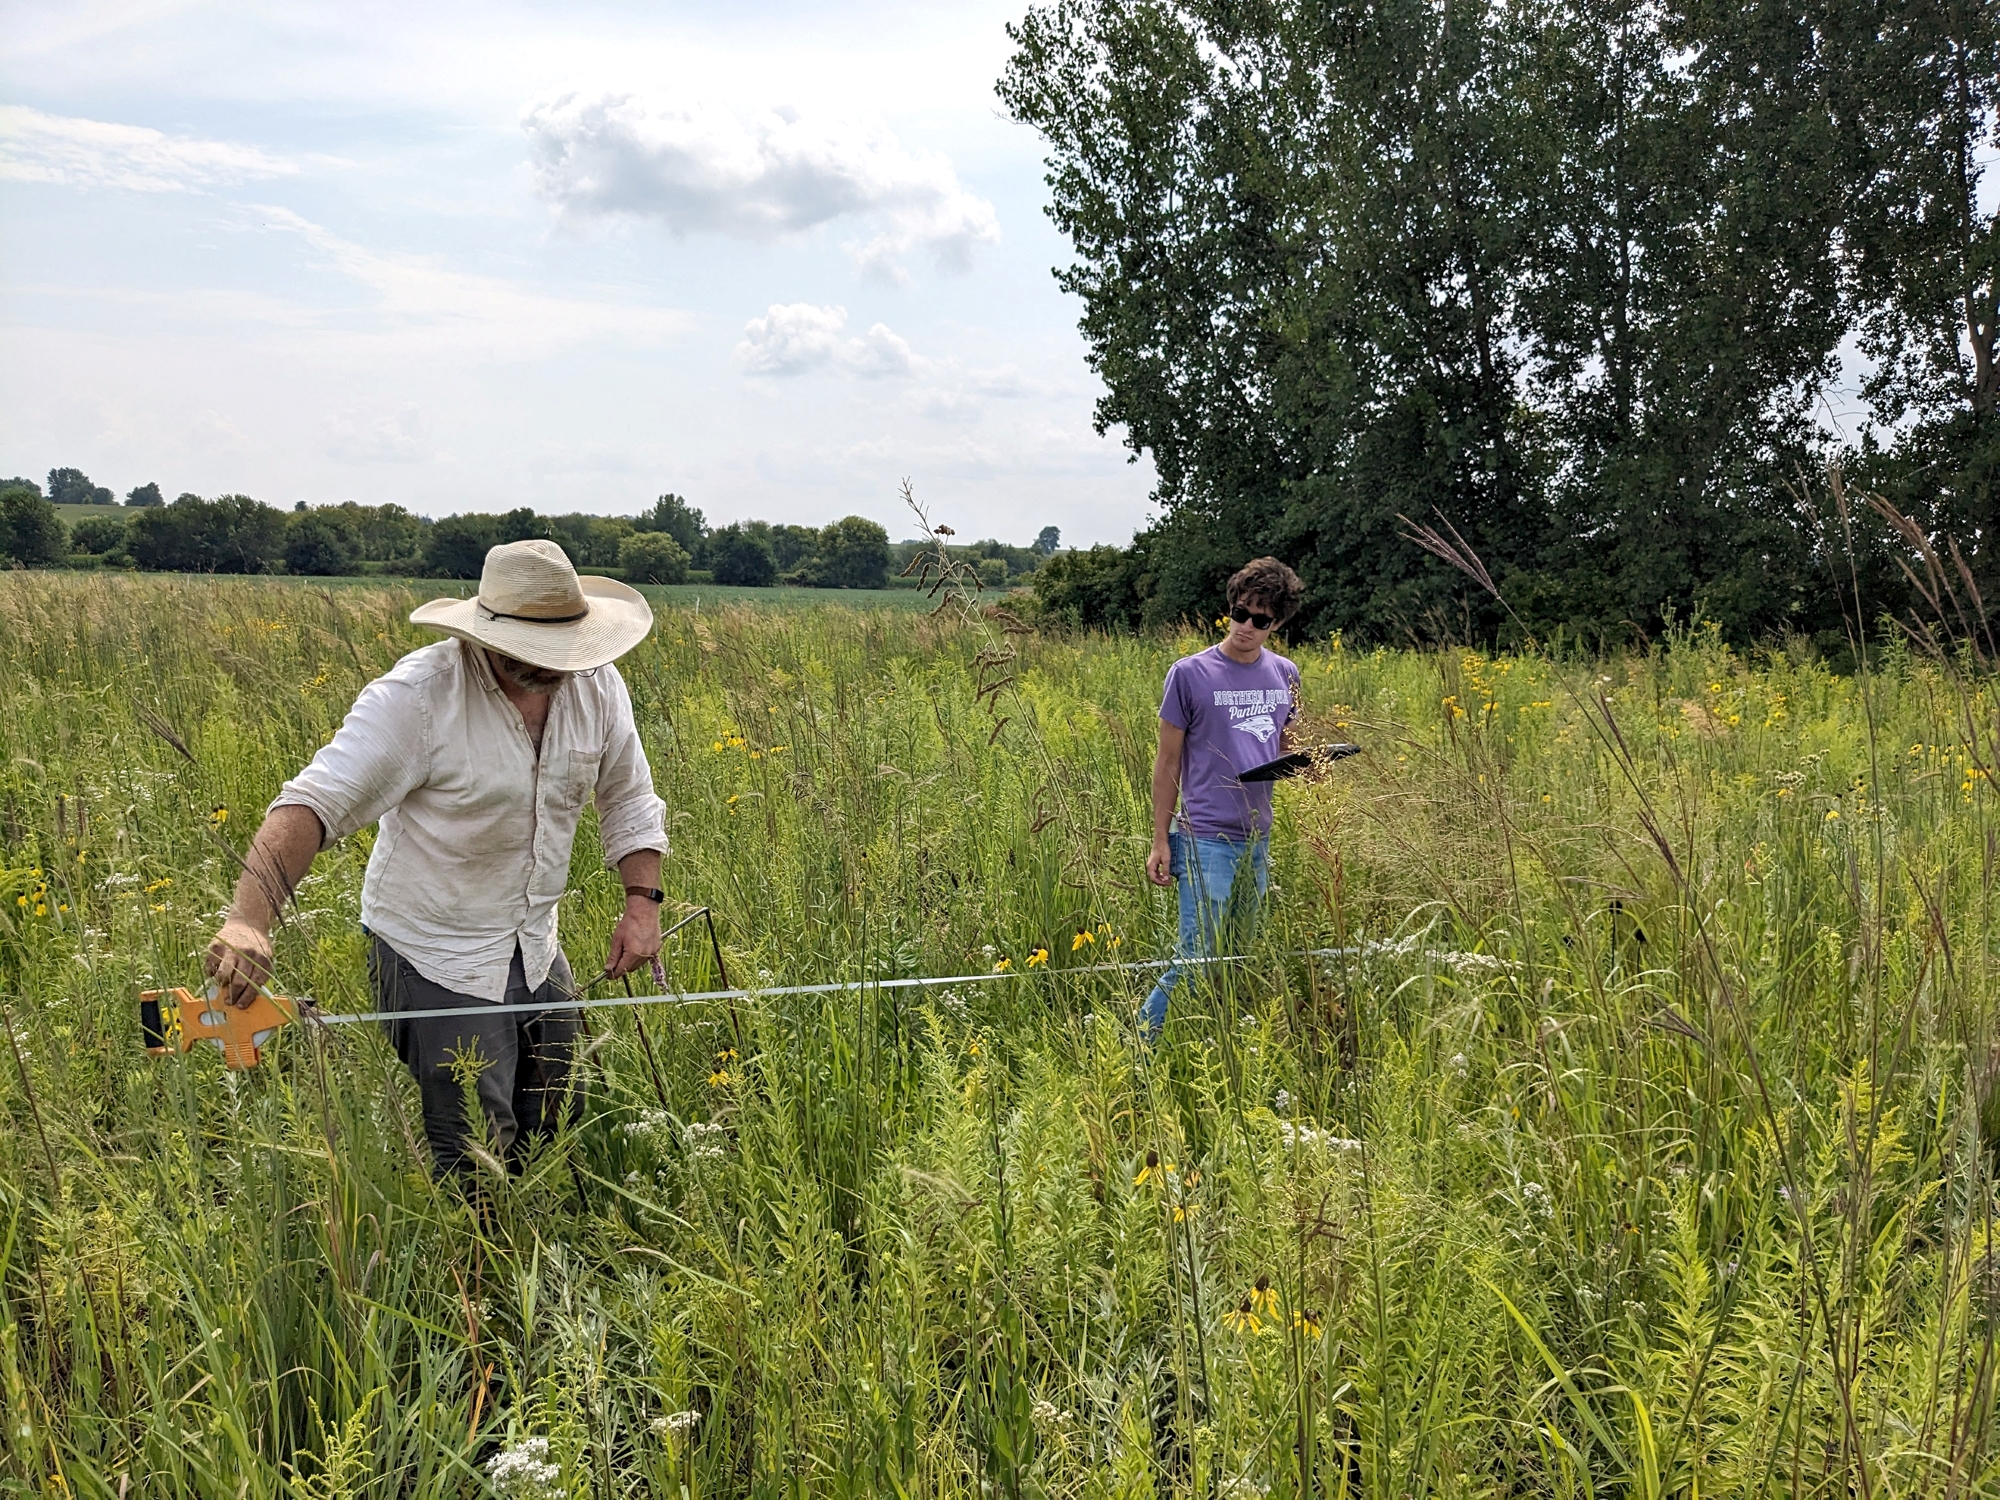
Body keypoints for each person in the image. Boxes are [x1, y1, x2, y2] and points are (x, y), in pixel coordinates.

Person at [204, 539, 668, 1177]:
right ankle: (477, 1264)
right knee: (475, 1146)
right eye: (532, 653)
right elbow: (312, 806)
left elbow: (630, 799)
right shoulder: (418, 699)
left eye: (564, 649)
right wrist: (249, 918)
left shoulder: (598, 685)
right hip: (433, 951)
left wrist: (642, 905)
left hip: (534, 941)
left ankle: (532, 1248)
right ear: (487, 634)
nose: (555, 666)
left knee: (553, 1112)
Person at [1140, 557, 1306, 1036]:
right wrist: (1160, 839)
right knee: (1197, 958)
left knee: (1237, 956)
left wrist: (1315, 764)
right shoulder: (1189, 674)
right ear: (1229, 609)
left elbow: (1286, 746)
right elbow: (1167, 761)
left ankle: (1214, 1037)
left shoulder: (1285, 674)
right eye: (1239, 613)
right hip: (1204, 837)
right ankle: (1141, 1045)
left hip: (1256, 836)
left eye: (1260, 619)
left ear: (1277, 623)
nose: (1246, 626)